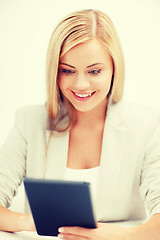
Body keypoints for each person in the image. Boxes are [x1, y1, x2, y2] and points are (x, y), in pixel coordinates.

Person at [0, 8, 160, 240]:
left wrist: (118, 236)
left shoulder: (146, 125)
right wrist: (35, 221)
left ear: (114, 69)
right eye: (68, 71)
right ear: (55, 72)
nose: (81, 84)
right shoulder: (29, 122)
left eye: (94, 71)